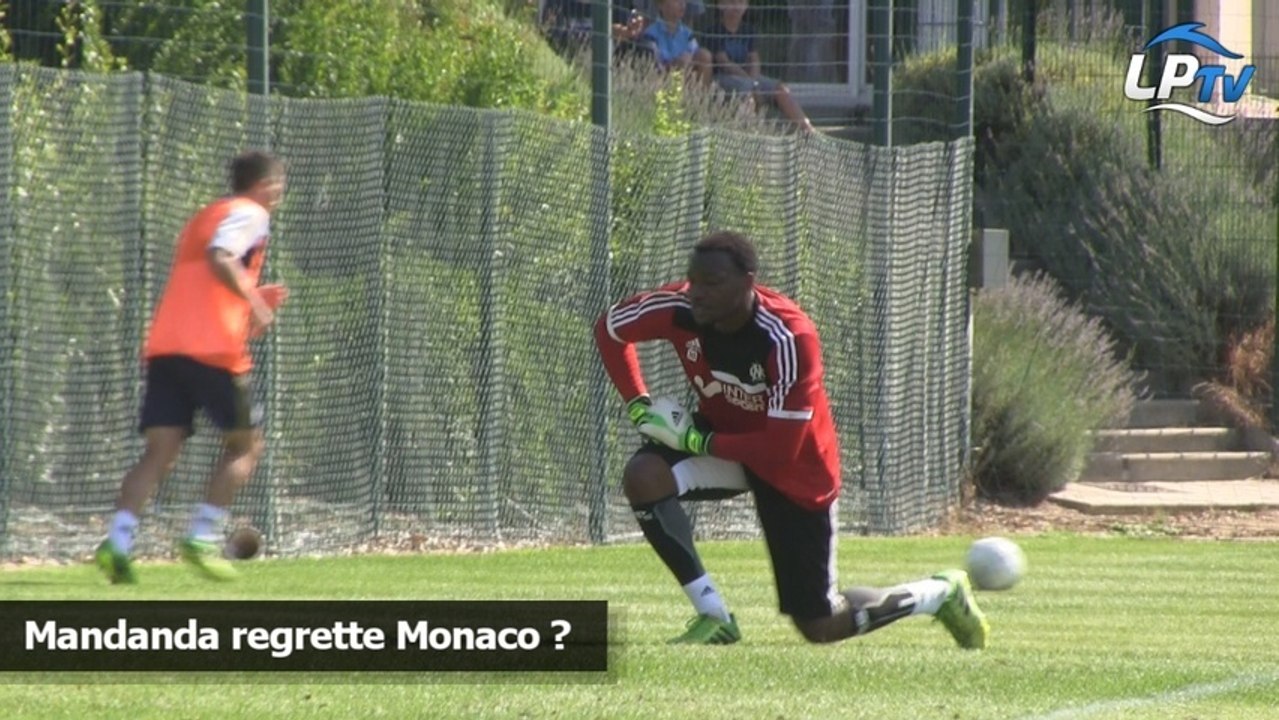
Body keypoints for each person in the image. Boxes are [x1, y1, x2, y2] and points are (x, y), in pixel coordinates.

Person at [593, 230, 989, 647]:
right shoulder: (679, 308)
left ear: (748, 283)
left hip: (797, 468)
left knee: (820, 626)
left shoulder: (788, 338)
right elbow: (610, 329)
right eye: (693, 280)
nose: (697, 293)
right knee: (645, 475)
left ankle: (938, 593)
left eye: (712, 283)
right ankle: (714, 617)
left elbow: (780, 449)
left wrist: (695, 442)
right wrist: (638, 404)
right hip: (726, 443)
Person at [94, 150, 288, 584]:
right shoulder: (251, 213)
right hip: (215, 351)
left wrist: (250, 298)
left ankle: (117, 542)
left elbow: (206, 280)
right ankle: (202, 537)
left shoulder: (207, 214)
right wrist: (254, 301)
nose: (280, 193)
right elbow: (221, 257)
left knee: (159, 452)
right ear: (265, 184)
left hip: (167, 346)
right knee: (246, 447)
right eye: (279, 184)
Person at [703, 0, 815, 134]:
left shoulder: (748, 30)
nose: (736, 6)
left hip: (749, 76)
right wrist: (751, 83)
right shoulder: (714, 31)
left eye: (741, 2)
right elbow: (724, 62)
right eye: (732, 1)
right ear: (720, 4)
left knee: (781, 89)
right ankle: (755, 133)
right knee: (747, 90)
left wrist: (754, 80)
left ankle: (808, 130)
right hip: (724, 77)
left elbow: (754, 59)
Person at [640, 0, 712, 86]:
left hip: (687, 77)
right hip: (662, 81)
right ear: (661, 5)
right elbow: (653, 67)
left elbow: (696, 55)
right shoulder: (651, 34)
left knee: (704, 55)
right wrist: (676, 64)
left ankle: (702, 93)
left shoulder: (687, 33)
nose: (682, 3)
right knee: (683, 62)